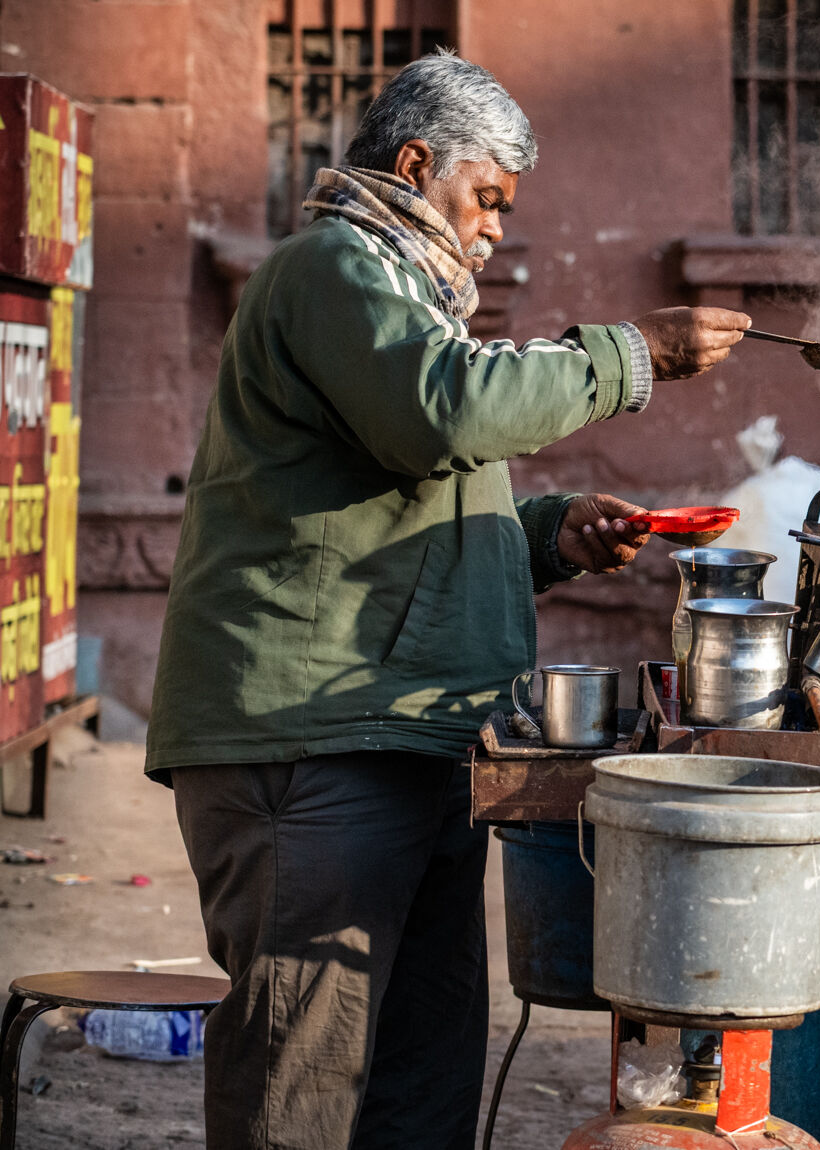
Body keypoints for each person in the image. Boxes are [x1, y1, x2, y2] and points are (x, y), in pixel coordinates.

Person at [144, 53, 750, 1149]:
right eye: (486, 199)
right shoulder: (331, 267)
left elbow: (403, 501)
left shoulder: (408, 296)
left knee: (421, 1087)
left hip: (412, 738)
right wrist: (632, 354)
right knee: (300, 1090)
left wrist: (545, 532)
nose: (493, 232)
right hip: (311, 741)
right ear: (417, 164)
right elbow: (443, 415)